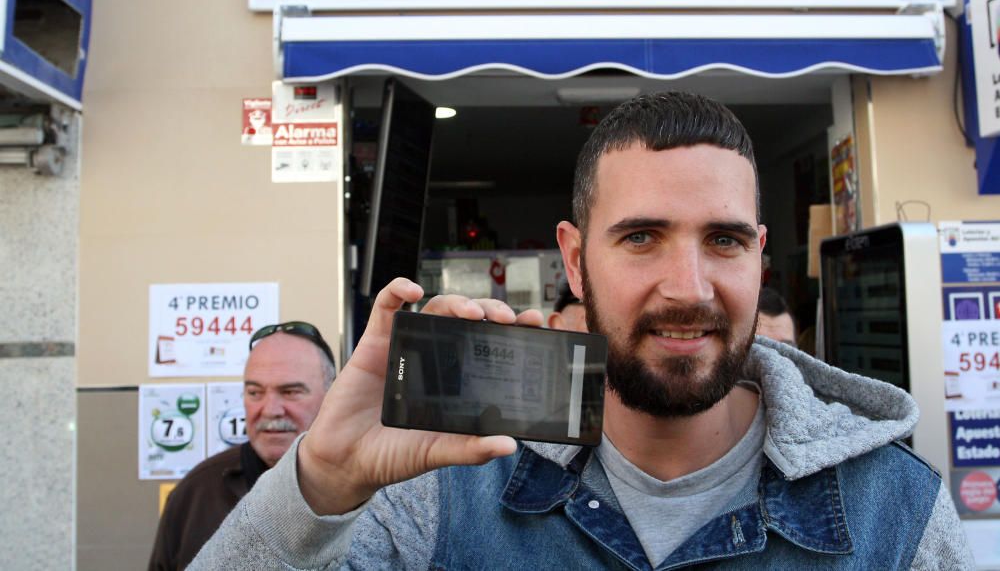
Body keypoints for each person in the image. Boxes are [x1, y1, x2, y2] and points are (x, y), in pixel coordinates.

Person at [193, 92, 972, 569]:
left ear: (760, 257)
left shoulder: (891, 511)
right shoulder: (444, 493)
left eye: (725, 241)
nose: (689, 288)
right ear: (574, 259)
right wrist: (319, 486)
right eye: (641, 238)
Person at [148, 321, 336, 571]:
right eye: (255, 393)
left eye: (290, 392)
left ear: (332, 395)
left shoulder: (374, 494)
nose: (270, 410)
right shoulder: (195, 495)